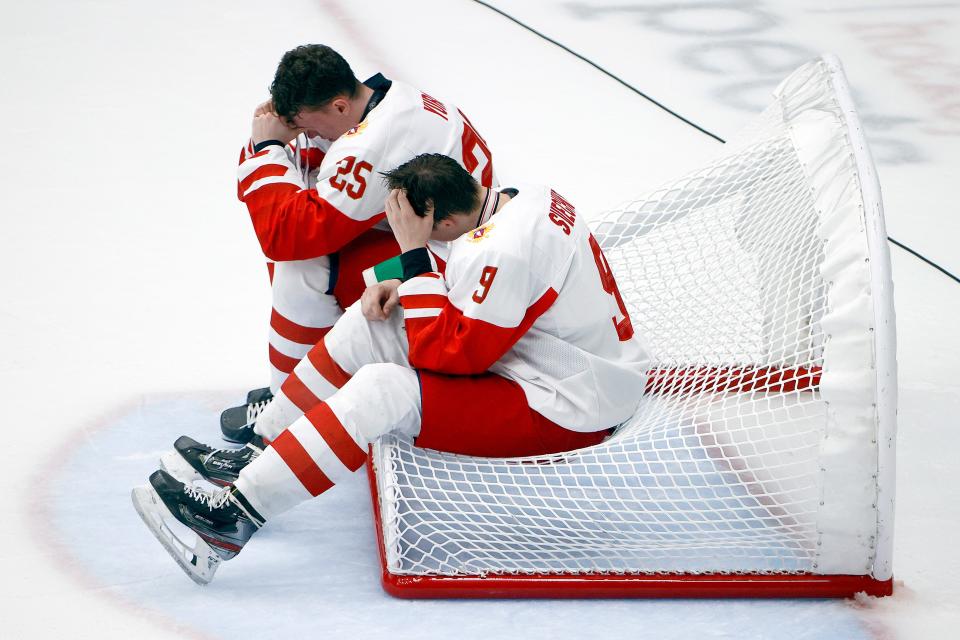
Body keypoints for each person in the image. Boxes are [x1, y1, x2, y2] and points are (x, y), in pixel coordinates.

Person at [132, 154, 650, 584]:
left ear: (441, 221)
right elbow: (469, 276)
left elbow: (451, 355)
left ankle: (232, 518)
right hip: (547, 363)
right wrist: (402, 275)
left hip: (568, 407)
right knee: (371, 323)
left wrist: (412, 256)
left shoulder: (504, 252)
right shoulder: (518, 202)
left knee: (385, 390)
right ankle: (258, 449)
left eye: (415, 225)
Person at [225, 44, 496, 443]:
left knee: (305, 264)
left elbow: (286, 235)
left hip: (449, 265)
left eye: (310, 126)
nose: (309, 137)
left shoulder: (372, 145)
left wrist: (267, 148)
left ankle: (290, 405)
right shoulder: (386, 97)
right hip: (456, 236)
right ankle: (300, 386)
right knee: (308, 242)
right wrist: (281, 137)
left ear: (338, 106)